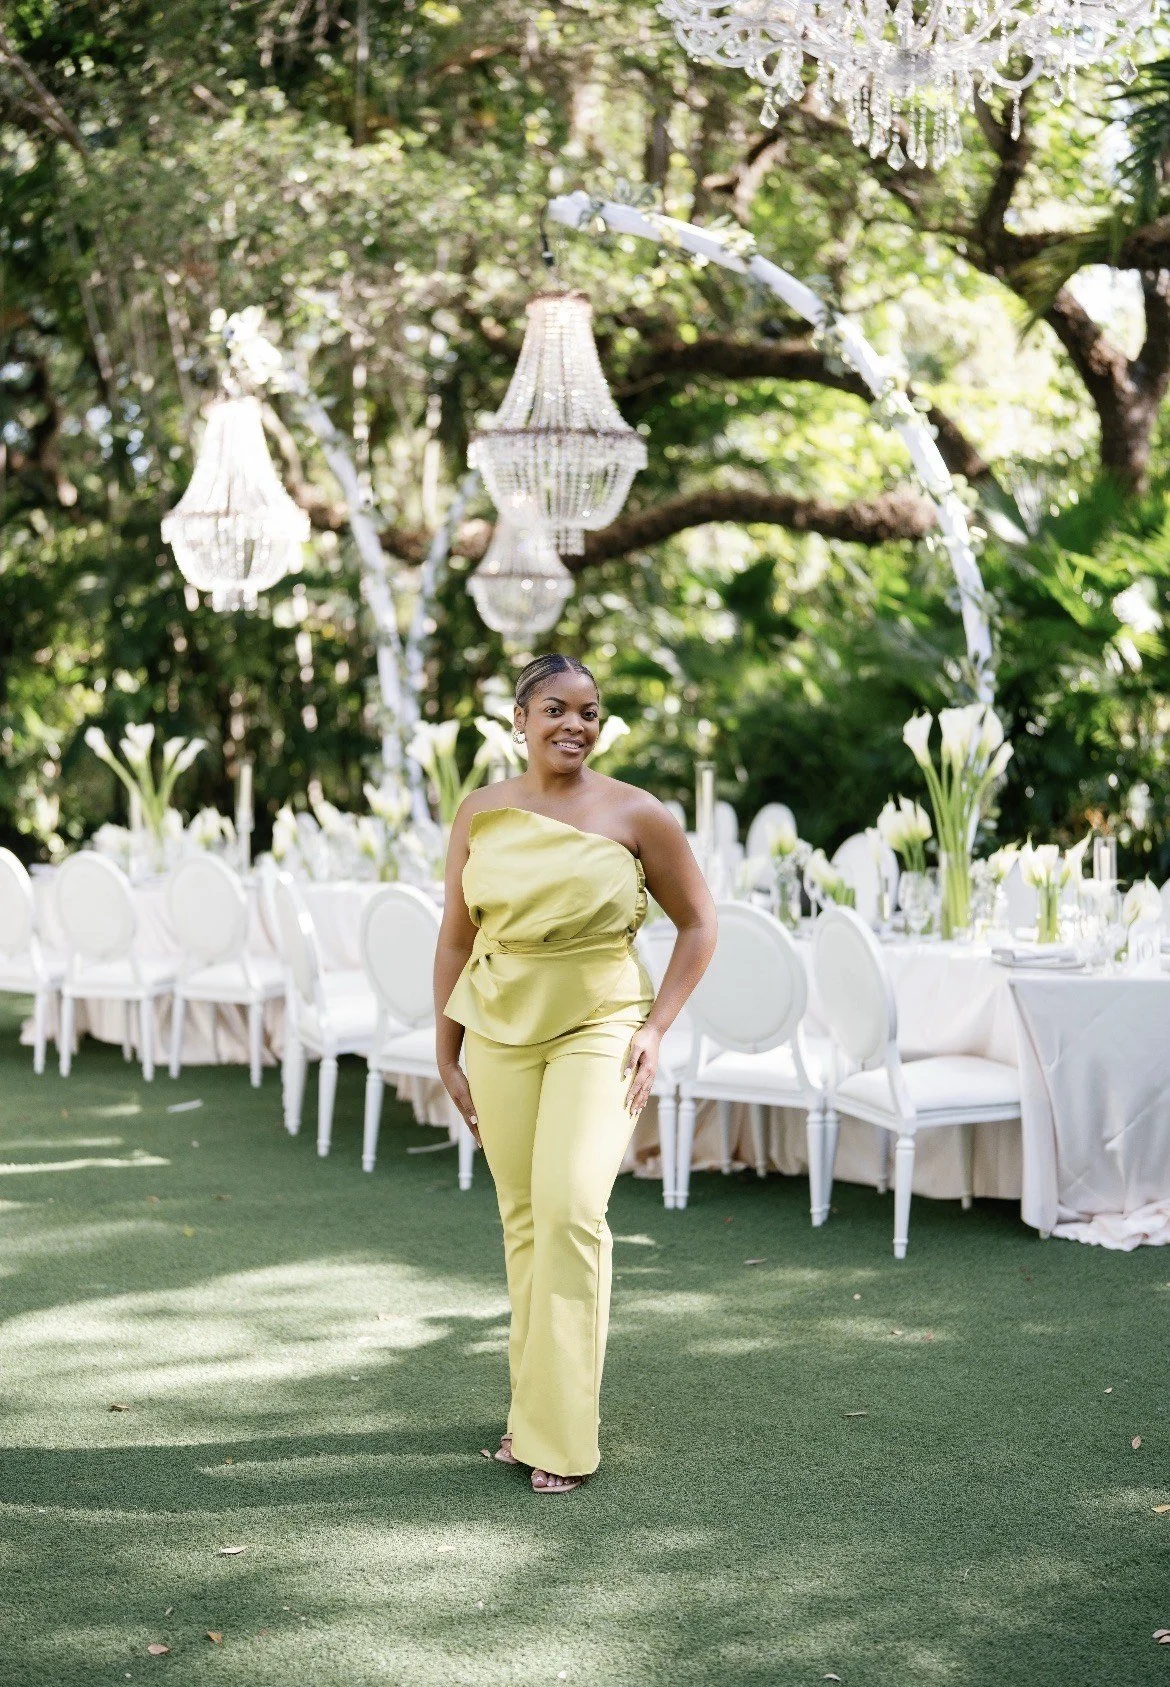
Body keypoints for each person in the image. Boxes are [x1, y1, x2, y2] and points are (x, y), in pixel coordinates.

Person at [434, 653, 718, 1494]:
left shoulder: (638, 813)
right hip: (498, 1024)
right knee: (523, 1218)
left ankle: (561, 1438)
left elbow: (701, 923)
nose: (575, 724)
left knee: (568, 1209)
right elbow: (456, 933)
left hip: (602, 1024)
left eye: (589, 712)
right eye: (556, 708)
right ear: (519, 718)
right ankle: (531, 1412)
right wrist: (445, 1047)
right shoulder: (480, 812)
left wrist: (657, 1027)